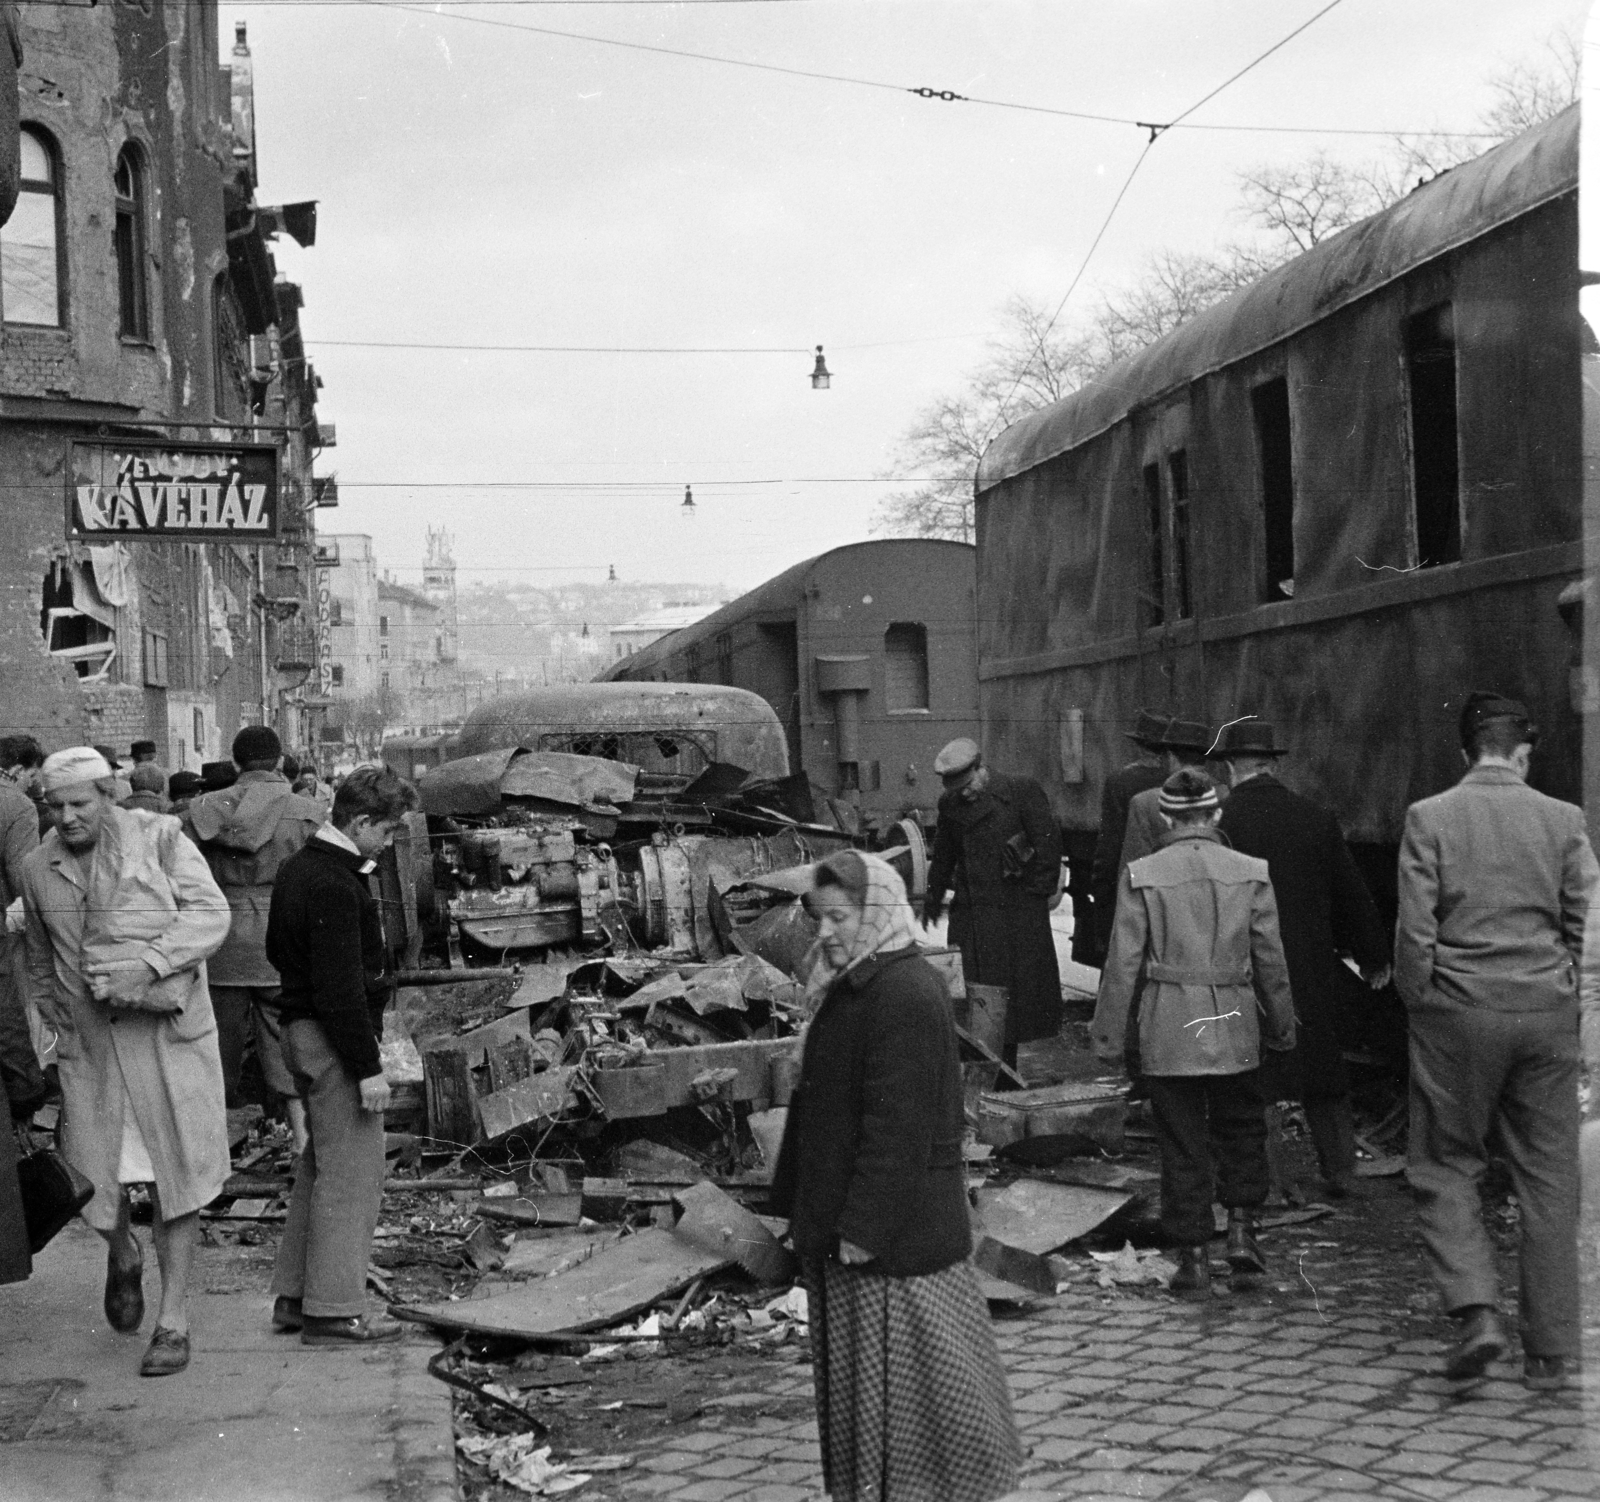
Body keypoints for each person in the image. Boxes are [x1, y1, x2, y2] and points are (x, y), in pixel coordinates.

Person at [772, 851, 1021, 1502]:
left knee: (923, 1400)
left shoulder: (903, 993)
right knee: (890, 1396)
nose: (825, 933)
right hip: (857, 1234)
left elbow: (899, 1130)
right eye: (818, 919)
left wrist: (862, 1230)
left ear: (877, 912)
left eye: (839, 918)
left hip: (892, 1244)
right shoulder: (856, 983)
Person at [1395, 692, 1597, 1390]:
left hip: (1460, 1012)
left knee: (1446, 1163)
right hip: (1545, 1014)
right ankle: (1553, 1352)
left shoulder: (1430, 817)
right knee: (1551, 1179)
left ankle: (1479, 1315)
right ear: (1522, 755)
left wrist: (1424, 1004)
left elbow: (1415, 933)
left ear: (1466, 754)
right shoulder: (1564, 819)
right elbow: (1587, 930)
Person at [20, 747, 232, 1377]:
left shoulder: (163, 838)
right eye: (54, 807)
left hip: (168, 1040)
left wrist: (149, 965)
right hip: (91, 1047)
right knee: (89, 1182)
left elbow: (210, 915)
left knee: (179, 1178)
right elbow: (37, 961)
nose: (66, 818)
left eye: (79, 804)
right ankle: (123, 1253)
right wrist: (56, 1036)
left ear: (108, 796)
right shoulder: (38, 867)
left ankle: (174, 1320)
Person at [1093, 768, 1296, 1296]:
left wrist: (1109, 1037)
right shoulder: (1251, 871)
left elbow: (1122, 963)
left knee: (1182, 1141)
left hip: (1170, 1023)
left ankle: (1194, 1260)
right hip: (1234, 1020)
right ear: (1217, 814)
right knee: (1242, 1129)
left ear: (1164, 817)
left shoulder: (1143, 872)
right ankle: (1243, 1236)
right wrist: (1281, 1020)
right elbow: (1270, 958)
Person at [265, 765, 416, 1345]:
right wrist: (368, 1067)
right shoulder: (334, 882)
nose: (392, 841)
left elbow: (281, 952)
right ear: (360, 821)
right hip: (331, 1038)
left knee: (321, 1168)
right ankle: (331, 1312)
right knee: (353, 1174)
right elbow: (341, 990)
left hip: (301, 1031)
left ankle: (297, 1297)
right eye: (388, 830)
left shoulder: (299, 868)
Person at [1217, 718, 1391, 1199]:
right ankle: (1341, 1172)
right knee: (1323, 1069)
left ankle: (1270, 1183)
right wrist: (1374, 956)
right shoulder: (1315, 817)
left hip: (1248, 968)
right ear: (1272, 765)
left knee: (1258, 1077)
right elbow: (1351, 893)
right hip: (1312, 967)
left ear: (1233, 768)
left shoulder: (1223, 824)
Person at [182, 726, 324, 1147]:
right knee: (287, 1039)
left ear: (236, 762)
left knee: (212, 1046)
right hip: (281, 938)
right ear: (280, 762)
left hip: (215, 940)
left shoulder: (199, 812)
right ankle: (301, 1142)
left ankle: (213, 1149)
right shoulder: (308, 811)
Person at [923, 739, 1063, 1065]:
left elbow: (1048, 842)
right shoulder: (950, 804)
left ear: (980, 769)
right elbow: (944, 855)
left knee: (1012, 1002)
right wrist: (933, 896)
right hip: (973, 917)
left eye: (968, 785)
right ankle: (989, 1070)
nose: (964, 794)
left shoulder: (1019, 791)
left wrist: (1035, 895)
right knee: (979, 1001)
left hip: (1015, 917)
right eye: (956, 789)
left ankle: (1004, 1073)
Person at [1087, 709, 1170, 964]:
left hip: (1130, 878)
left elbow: (1109, 842)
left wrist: (1100, 887)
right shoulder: (1174, 780)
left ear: (1138, 746)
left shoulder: (1120, 781)